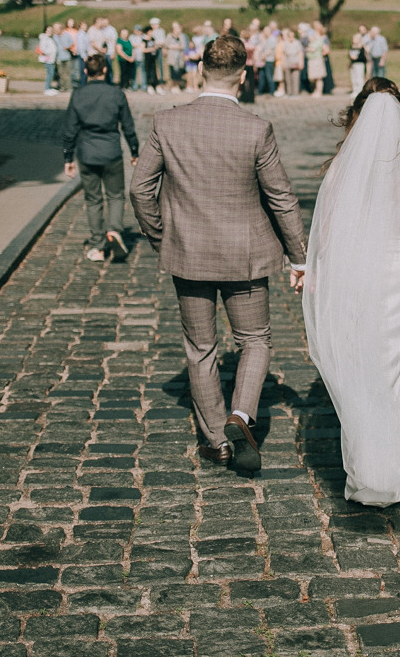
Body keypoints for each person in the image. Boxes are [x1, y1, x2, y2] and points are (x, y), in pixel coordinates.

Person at [130, 34, 308, 470]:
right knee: (255, 340)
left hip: (189, 253)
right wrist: (299, 256)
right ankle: (241, 414)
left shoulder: (166, 123)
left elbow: (139, 190)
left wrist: (163, 237)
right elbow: (281, 197)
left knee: (201, 347)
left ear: (199, 71)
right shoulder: (255, 128)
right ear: (244, 78)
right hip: (245, 256)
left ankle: (215, 441)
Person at [303, 78, 400, 506]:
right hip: (395, 276)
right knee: (397, 367)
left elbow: (328, 228)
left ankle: (368, 462)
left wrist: (317, 273)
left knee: (364, 362)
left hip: (355, 273)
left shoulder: (343, 165)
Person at [63, 54, 140, 264]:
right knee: (115, 196)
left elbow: (70, 130)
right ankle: (114, 229)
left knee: (93, 199)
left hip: (87, 154)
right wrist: (134, 151)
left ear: (86, 72)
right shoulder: (116, 94)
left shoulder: (78, 95)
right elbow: (128, 126)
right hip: (111, 153)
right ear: (105, 71)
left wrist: (67, 157)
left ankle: (98, 246)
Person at [280, 28, 304, 97]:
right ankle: (289, 92)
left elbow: (300, 53)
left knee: (295, 78)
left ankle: (295, 93)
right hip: (288, 62)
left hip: (295, 62)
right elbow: (283, 54)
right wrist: (283, 63)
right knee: (288, 79)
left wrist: (301, 63)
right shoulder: (285, 43)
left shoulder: (297, 43)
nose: (291, 38)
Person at [306, 23, 328, 95]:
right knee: (314, 77)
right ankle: (316, 90)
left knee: (318, 77)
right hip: (312, 60)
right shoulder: (311, 43)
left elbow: (312, 49)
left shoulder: (318, 41)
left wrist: (308, 49)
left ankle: (319, 91)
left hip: (317, 60)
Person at [36, 26, 58, 96]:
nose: (50, 32)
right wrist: (50, 52)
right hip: (47, 59)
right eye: (48, 30)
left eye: (51, 30)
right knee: (50, 73)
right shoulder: (44, 38)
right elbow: (43, 49)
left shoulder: (50, 38)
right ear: (45, 31)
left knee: (50, 73)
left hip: (51, 59)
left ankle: (48, 87)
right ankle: (47, 89)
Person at [165, 22, 187, 90]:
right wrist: (176, 46)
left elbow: (183, 46)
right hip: (172, 58)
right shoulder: (169, 36)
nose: (177, 30)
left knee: (179, 72)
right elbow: (166, 44)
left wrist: (173, 46)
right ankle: (173, 86)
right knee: (172, 72)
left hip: (179, 58)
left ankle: (177, 86)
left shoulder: (182, 36)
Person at [54, 22, 73, 92]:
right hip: (59, 57)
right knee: (60, 73)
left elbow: (71, 42)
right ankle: (62, 87)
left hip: (67, 57)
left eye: (56, 28)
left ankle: (68, 87)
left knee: (67, 73)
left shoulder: (66, 35)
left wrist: (67, 47)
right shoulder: (54, 36)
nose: (55, 30)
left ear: (60, 29)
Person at [348, 26, 368, 95]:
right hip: (353, 64)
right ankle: (355, 90)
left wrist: (356, 58)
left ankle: (360, 91)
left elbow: (362, 57)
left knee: (359, 78)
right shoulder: (352, 47)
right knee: (353, 78)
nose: (354, 39)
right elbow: (350, 55)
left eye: (356, 38)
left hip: (359, 64)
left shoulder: (361, 47)